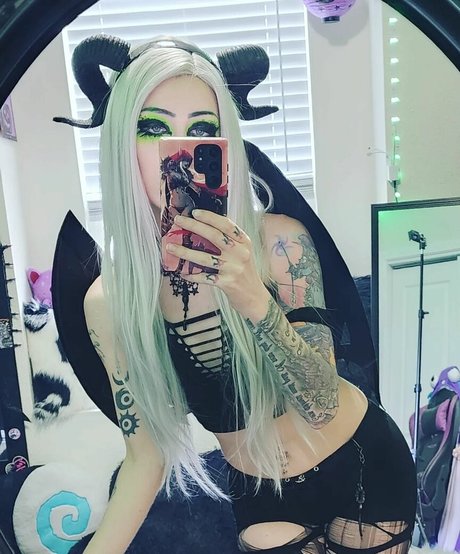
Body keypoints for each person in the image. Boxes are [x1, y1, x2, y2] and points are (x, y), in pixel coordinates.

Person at [55, 35, 416, 554]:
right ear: (120, 145)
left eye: (202, 130)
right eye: (153, 128)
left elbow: (320, 405)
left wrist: (253, 298)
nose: (178, 151)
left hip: (363, 460)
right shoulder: (110, 302)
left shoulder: (279, 244)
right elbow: (144, 459)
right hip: (260, 491)